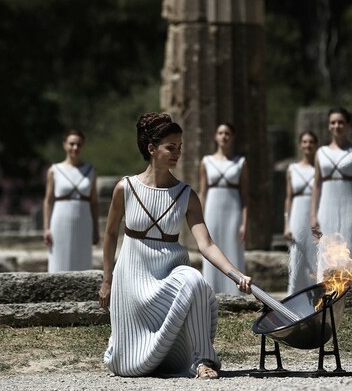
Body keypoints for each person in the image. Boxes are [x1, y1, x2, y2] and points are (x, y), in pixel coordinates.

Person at [99, 112, 252, 379]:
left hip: (170, 273)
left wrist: (236, 274)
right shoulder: (125, 188)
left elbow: (206, 244)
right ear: (151, 148)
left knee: (196, 281)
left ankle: (202, 359)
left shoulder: (186, 195)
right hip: (132, 278)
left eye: (179, 148)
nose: (176, 153)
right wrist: (107, 280)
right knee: (129, 367)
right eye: (171, 147)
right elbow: (111, 234)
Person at [198, 123, 248, 295]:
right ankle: (211, 291)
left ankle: (236, 292)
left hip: (233, 210)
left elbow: (244, 195)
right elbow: (203, 192)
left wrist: (244, 222)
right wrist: (198, 218)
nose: (224, 136)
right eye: (220, 133)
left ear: (232, 137)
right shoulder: (206, 161)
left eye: (227, 133)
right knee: (212, 245)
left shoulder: (240, 162)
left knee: (232, 247)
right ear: (215, 136)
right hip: (212, 208)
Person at [311, 108, 352, 265]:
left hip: (351, 209)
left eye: (341, 122)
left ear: (348, 125)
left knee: (350, 250)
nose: (337, 126)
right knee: (327, 252)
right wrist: (313, 215)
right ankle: (326, 289)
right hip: (326, 210)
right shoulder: (321, 152)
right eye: (333, 122)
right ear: (329, 126)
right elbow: (316, 185)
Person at [43, 129, 99, 272]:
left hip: (83, 221)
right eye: (71, 144)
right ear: (65, 145)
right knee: (58, 262)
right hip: (60, 221)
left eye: (78, 144)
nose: (75, 148)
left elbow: (94, 202)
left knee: (82, 263)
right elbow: (48, 200)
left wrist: (96, 229)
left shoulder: (90, 171)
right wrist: (46, 228)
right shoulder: (54, 170)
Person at [284, 130, 318, 294]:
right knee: (297, 256)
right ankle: (293, 295)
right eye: (304, 142)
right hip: (297, 214)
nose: (308, 145)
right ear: (300, 145)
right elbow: (288, 198)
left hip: (314, 215)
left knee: (314, 256)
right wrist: (286, 224)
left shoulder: (320, 169)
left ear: (315, 145)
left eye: (311, 142)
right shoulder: (292, 169)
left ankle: (314, 295)